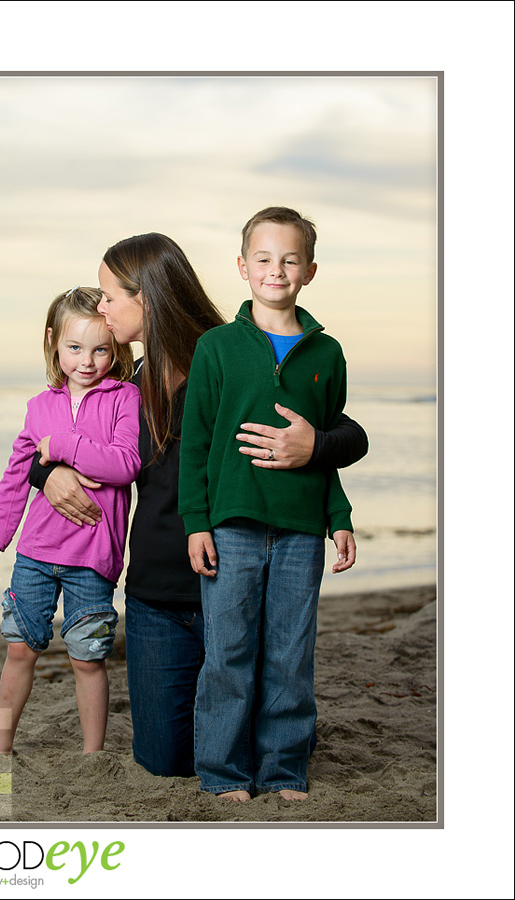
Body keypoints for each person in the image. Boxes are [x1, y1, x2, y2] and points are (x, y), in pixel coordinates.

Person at [29, 232, 368, 779]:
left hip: (228, 580)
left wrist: (316, 448)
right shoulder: (126, 376)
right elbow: (60, 435)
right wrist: (44, 473)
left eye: (109, 294)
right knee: (165, 760)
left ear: (146, 297)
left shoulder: (224, 351)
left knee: (260, 737)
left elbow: (342, 429)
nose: (100, 307)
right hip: (156, 590)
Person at [178, 206, 356, 801]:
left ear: (308, 270)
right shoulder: (217, 347)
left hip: (303, 528)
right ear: (242, 266)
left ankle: (283, 770)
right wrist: (196, 523)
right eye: (263, 258)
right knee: (228, 653)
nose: (275, 269)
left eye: (288, 259)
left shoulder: (327, 354)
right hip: (232, 526)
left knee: (290, 653)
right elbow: (196, 445)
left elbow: (325, 443)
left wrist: (339, 517)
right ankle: (224, 773)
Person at [0, 287, 140, 756]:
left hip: (92, 557)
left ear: (117, 348)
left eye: (100, 349)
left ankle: (92, 755)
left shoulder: (124, 398)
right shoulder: (38, 407)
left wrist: (64, 447)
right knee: (18, 650)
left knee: (87, 658)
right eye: (74, 347)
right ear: (53, 341)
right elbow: (16, 477)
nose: (87, 361)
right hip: (34, 554)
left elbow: (125, 463)